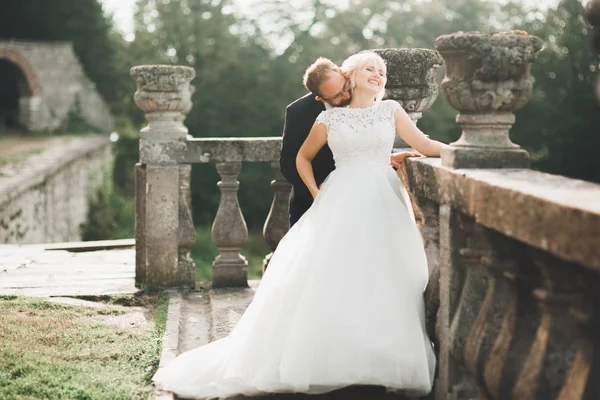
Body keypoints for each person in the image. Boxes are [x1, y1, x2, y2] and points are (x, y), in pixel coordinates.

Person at [152, 51, 449, 399]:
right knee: (334, 275)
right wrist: (315, 190)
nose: (378, 74)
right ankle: (331, 354)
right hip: (340, 198)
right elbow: (301, 157)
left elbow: (425, 145)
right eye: (370, 68)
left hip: (384, 197)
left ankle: (377, 355)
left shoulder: (391, 110)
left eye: (382, 71)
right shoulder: (330, 120)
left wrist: (460, 153)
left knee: (383, 273)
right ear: (349, 76)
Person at [280, 57, 418, 226]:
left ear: (341, 72)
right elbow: (289, 163)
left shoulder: (365, 94)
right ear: (321, 99)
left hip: (367, 198)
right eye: (337, 96)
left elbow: (360, 139)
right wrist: (320, 191)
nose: (346, 94)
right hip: (311, 203)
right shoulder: (299, 112)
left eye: (345, 87)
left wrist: (385, 158)